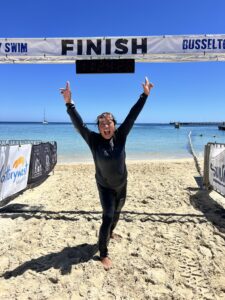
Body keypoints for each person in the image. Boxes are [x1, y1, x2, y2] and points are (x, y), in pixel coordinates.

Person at [60, 77, 154, 270]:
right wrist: (69, 103)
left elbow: (132, 115)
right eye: (101, 123)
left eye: (108, 122)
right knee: (108, 216)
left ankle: (111, 233)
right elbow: (79, 125)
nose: (105, 126)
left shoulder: (121, 136)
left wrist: (144, 95)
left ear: (114, 125)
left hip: (122, 184)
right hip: (104, 186)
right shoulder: (93, 140)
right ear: (99, 127)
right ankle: (103, 253)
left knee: (117, 214)